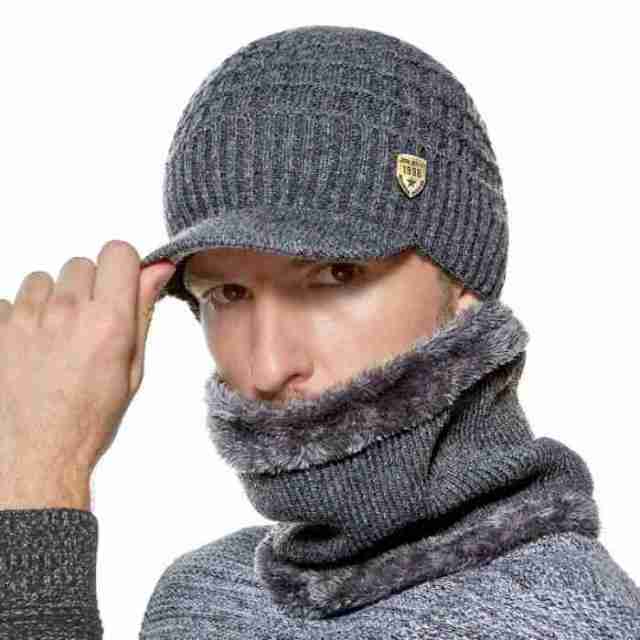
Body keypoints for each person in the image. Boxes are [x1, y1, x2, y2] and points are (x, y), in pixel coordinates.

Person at [1, 24, 639, 639]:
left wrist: (43, 480)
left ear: (463, 288)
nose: (267, 366)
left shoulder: (567, 619)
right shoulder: (204, 597)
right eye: (228, 293)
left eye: (336, 274)